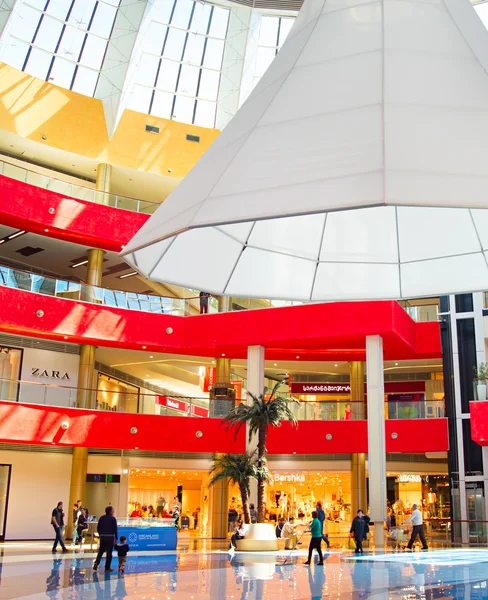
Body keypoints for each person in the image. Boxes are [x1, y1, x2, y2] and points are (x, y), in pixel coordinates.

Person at [93, 506, 118, 572]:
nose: (114, 511)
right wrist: (116, 538)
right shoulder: (113, 519)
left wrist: (100, 534)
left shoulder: (102, 518)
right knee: (109, 553)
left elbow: (98, 527)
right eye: (113, 510)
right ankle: (107, 567)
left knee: (101, 551)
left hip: (103, 536)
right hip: (110, 537)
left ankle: (96, 562)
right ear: (110, 511)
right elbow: (115, 529)